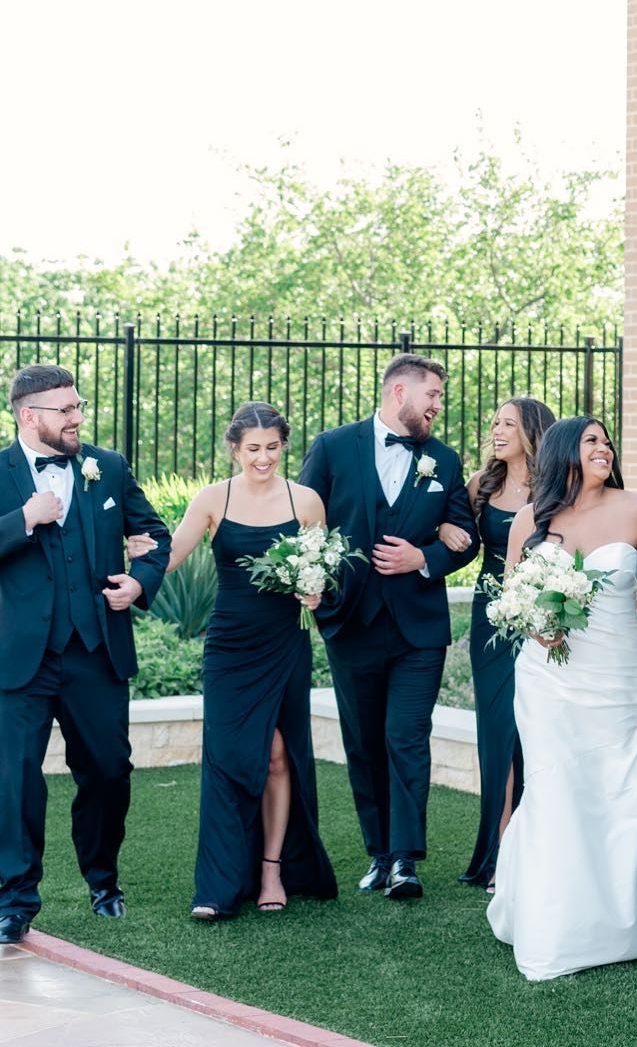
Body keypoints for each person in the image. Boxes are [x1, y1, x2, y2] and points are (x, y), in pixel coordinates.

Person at [487, 416, 637, 979]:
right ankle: (558, 924)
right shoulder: (528, 521)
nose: (604, 448)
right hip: (547, 677)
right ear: (565, 451)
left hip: (616, 670)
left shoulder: (636, 507)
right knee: (555, 783)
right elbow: (515, 595)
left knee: (616, 782)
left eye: (608, 440)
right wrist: (539, 626)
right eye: (592, 441)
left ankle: (626, 915)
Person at [129, 403, 338, 919]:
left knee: (278, 755)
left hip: (284, 642)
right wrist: (133, 560)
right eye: (252, 449)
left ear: (283, 446)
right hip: (229, 646)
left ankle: (272, 870)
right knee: (229, 758)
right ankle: (218, 887)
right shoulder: (212, 498)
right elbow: (171, 553)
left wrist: (317, 591)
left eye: (271, 448)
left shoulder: (306, 501)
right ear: (234, 449)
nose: (262, 458)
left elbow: (323, 568)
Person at [0, 364, 170, 944]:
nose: (77, 417)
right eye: (65, 409)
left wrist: (140, 581)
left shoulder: (108, 468)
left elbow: (155, 534)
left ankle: (104, 881)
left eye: (79, 406)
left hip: (95, 650)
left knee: (107, 770)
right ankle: (16, 899)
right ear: (29, 415)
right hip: (19, 657)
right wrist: (23, 518)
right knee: (15, 778)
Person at [299, 354, 478, 900]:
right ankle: (377, 853)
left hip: (418, 628)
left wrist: (423, 558)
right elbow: (306, 520)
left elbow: (465, 537)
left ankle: (405, 860)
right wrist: (317, 588)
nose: (437, 407)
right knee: (364, 742)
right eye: (432, 397)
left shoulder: (445, 461)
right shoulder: (333, 448)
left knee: (406, 737)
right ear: (399, 391)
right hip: (350, 620)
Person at [451, 397, 555, 892]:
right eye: (494, 422)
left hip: (544, 614)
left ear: (532, 431)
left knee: (533, 729)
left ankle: (535, 847)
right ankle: (497, 849)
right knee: (497, 730)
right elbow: (460, 542)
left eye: (507, 423)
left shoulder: (559, 485)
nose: (496, 430)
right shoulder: (481, 484)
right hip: (493, 615)